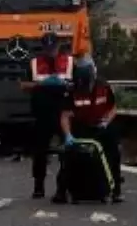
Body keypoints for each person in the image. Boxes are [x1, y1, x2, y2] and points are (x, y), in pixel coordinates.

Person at [60, 61, 122, 203]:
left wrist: (106, 121)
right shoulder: (72, 90)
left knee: (113, 151)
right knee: (68, 154)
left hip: (101, 125)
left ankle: (116, 189)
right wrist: (68, 135)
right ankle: (62, 190)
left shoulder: (104, 87)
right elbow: (65, 116)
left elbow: (113, 108)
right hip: (81, 126)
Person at [23, 31, 74, 199]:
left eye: (53, 47)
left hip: (63, 113)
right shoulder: (34, 63)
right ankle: (39, 186)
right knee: (40, 152)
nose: (50, 51)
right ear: (43, 47)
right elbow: (23, 85)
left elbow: (79, 83)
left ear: (58, 46)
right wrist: (40, 84)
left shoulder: (69, 62)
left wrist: (67, 85)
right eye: (47, 48)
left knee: (66, 151)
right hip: (41, 113)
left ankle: (63, 188)